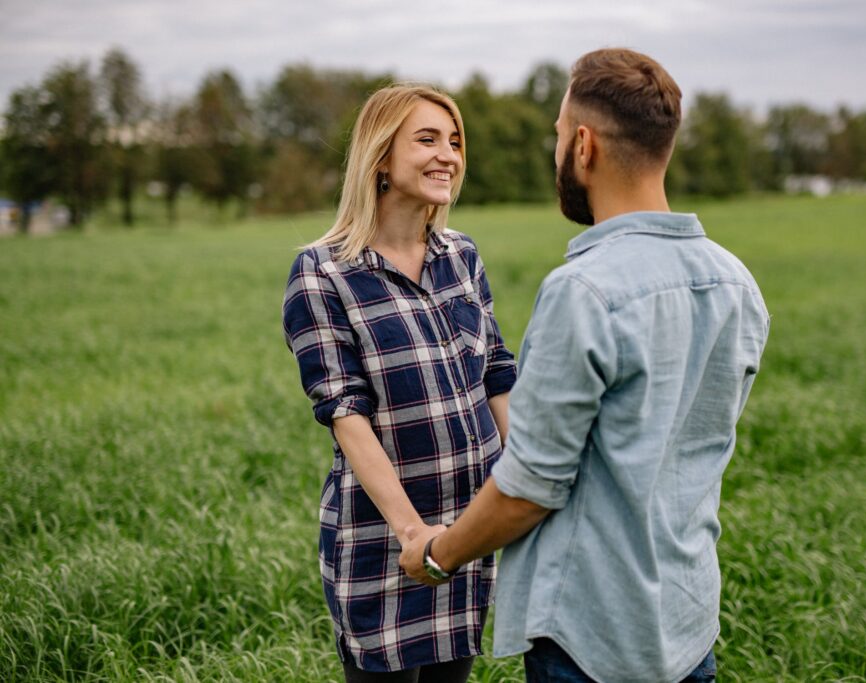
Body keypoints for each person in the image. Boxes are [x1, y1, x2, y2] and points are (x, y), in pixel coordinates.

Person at [399, 49, 770, 683]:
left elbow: (529, 490)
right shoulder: (736, 282)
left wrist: (436, 554)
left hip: (589, 636)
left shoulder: (586, 290)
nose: (555, 153)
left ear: (584, 146)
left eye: (556, 136)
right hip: (687, 621)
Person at [282, 84, 517, 682]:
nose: (449, 155)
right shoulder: (323, 272)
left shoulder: (461, 255)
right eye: (428, 139)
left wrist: (521, 484)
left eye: (455, 141)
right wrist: (414, 534)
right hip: (384, 540)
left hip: (467, 533)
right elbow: (344, 412)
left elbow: (495, 373)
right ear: (381, 157)